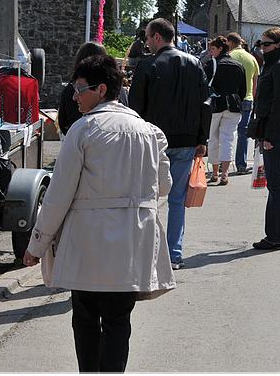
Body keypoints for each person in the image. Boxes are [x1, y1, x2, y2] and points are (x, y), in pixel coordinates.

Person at [22, 55, 175, 372]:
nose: (74, 96)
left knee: (87, 318)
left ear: (101, 89)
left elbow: (58, 194)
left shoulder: (83, 130)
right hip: (133, 241)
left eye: (79, 89)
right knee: (119, 321)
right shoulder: (151, 132)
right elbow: (164, 186)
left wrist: (37, 244)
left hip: (89, 243)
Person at [128, 18, 210, 270]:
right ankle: (174, 254)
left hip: (153, 141)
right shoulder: (195, 64)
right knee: (176, 200)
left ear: (157, 38)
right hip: (186, 141)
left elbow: (135, 107)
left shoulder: (148, 65)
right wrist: (201, 139)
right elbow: (205, 104)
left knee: (147, 198)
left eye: (147, 37)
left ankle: (145, 254)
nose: (146, 42)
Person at [251, 27, 280, 250]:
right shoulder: (274, 64)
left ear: (278, 45)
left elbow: (279, 103)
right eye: (261, 44)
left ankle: (277, 236)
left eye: (266, 44)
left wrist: (268, 135)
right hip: (274, 128)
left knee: (277, 184)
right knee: (277, 183)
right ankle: (277, 235)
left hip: (277, 129)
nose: (262, 47)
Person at [204, 36, 246, 185]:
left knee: (213, 139)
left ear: (220, 48)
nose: (211, 52)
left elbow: (204, 86)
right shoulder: (238, 65)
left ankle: (215, 173)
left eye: (213, 49)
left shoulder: (211, 64)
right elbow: (243, 89)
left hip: (215, 105)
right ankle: (225, 173)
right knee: (228, 139)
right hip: (234, 105)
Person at [227, 32, 260, 176]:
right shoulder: (252, 58)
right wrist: (252, 97)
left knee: (226, 133)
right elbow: (255, 82)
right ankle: (241, 164)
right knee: (243, 133)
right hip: (247, 99)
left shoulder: (229, 57)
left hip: (231, 99)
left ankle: (223, 166)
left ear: (230, 43)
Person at [58, 42, 108, 136]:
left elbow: (63, 122)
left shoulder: (70, 89)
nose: (75, 97)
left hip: (78, 139)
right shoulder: (116, 89)